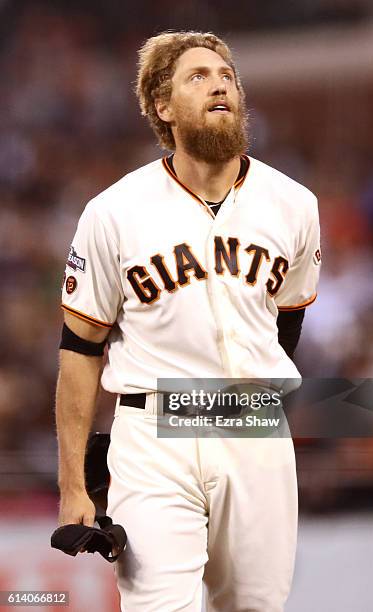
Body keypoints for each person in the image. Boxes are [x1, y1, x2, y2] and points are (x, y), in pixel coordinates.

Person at [56, 31, 321, 611]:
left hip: (253, 433)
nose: (220, 82)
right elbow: (79, 348)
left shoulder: (295, 204)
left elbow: (288, 326)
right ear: (162, 106)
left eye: (227, 74)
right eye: (197, 76)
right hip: (154, 432)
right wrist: (73, 485)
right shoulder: (113, 212)